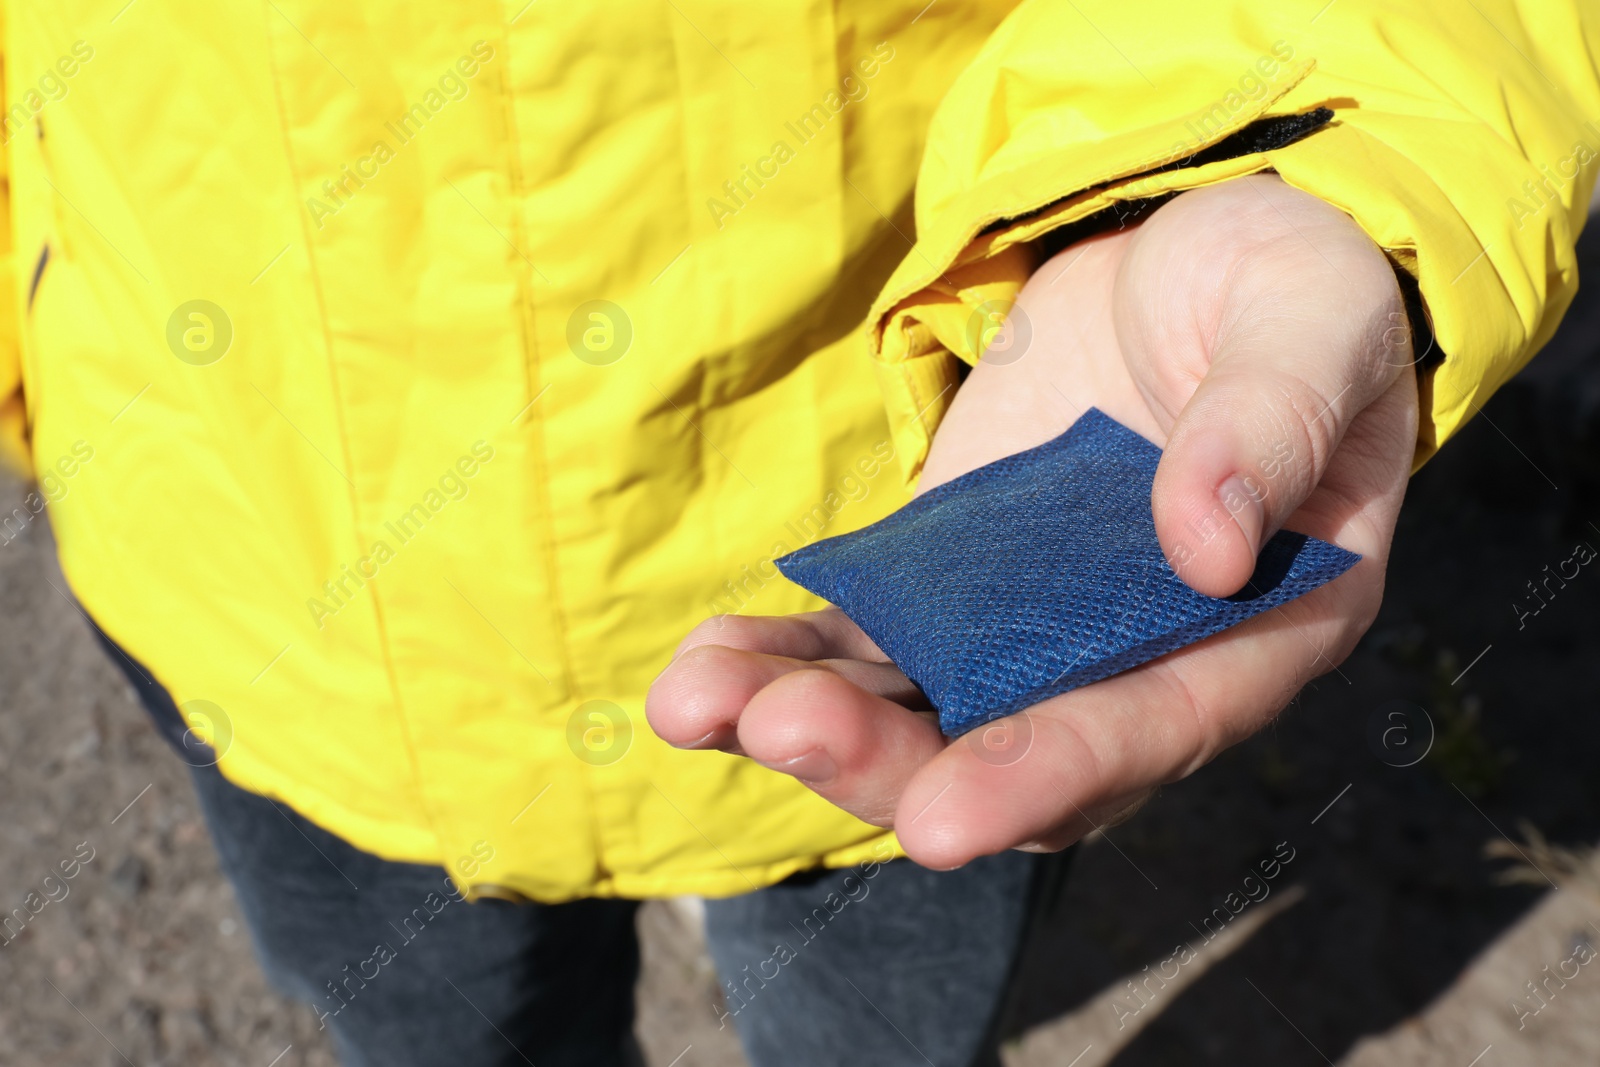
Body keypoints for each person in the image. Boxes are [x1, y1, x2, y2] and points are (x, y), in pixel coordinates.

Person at [3, 2, 1595, 1065]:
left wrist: (1292, 146)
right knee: (430, 1030)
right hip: (258, 571)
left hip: (897, 532)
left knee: (877, 1036)